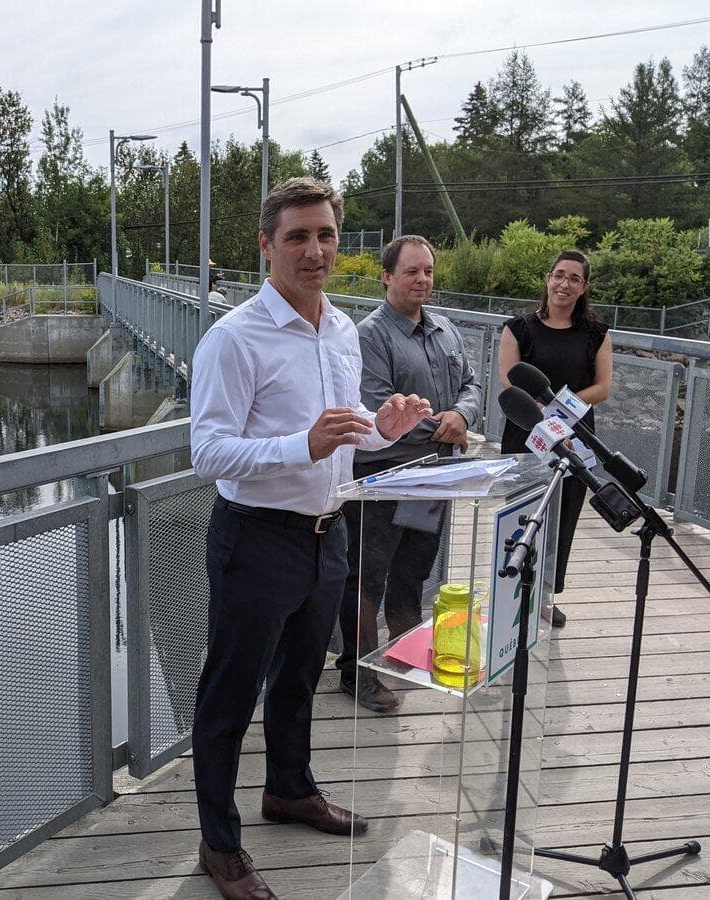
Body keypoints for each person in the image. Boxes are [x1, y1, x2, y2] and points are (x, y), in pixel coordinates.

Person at [190, 178, 433, 900]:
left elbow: (344, 426)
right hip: (256, 538)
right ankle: (219, 844)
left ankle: (289, 789)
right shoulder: (233, 338)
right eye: (297, 236)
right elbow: (207, 452)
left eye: (325, 234)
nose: (315, 250)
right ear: (266, 245)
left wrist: (381, 427)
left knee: (299, 678)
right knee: (229, 698)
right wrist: (302, 444)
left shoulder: (341, 330)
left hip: (329, 533)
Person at [335, 235, 482, 713]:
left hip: (434, 475)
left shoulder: (445, 329)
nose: (422, 280)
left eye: (428, 272)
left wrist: (462, 414)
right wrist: (447, 427)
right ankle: (356, 673)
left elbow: (472, 385)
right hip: (385, 478)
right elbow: (378, 407)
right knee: (366, 578)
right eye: (411, 271)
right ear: (386, 277)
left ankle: (402, 655)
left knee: (413, 571)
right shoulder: (370, 335)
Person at [497, 250, 611, 627]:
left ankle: (544, 595)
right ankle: (512, 591)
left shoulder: (596, 334)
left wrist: (559, 407)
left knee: (563, 517)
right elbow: (509, 379)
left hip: (575, 437)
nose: (564, 283)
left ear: (584, 287)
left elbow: (603, 387)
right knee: (522, 513)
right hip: (527, 431)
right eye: (559, 275)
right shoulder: (518, 329)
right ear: (548, 279)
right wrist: (541, 412)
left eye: (574, 278)